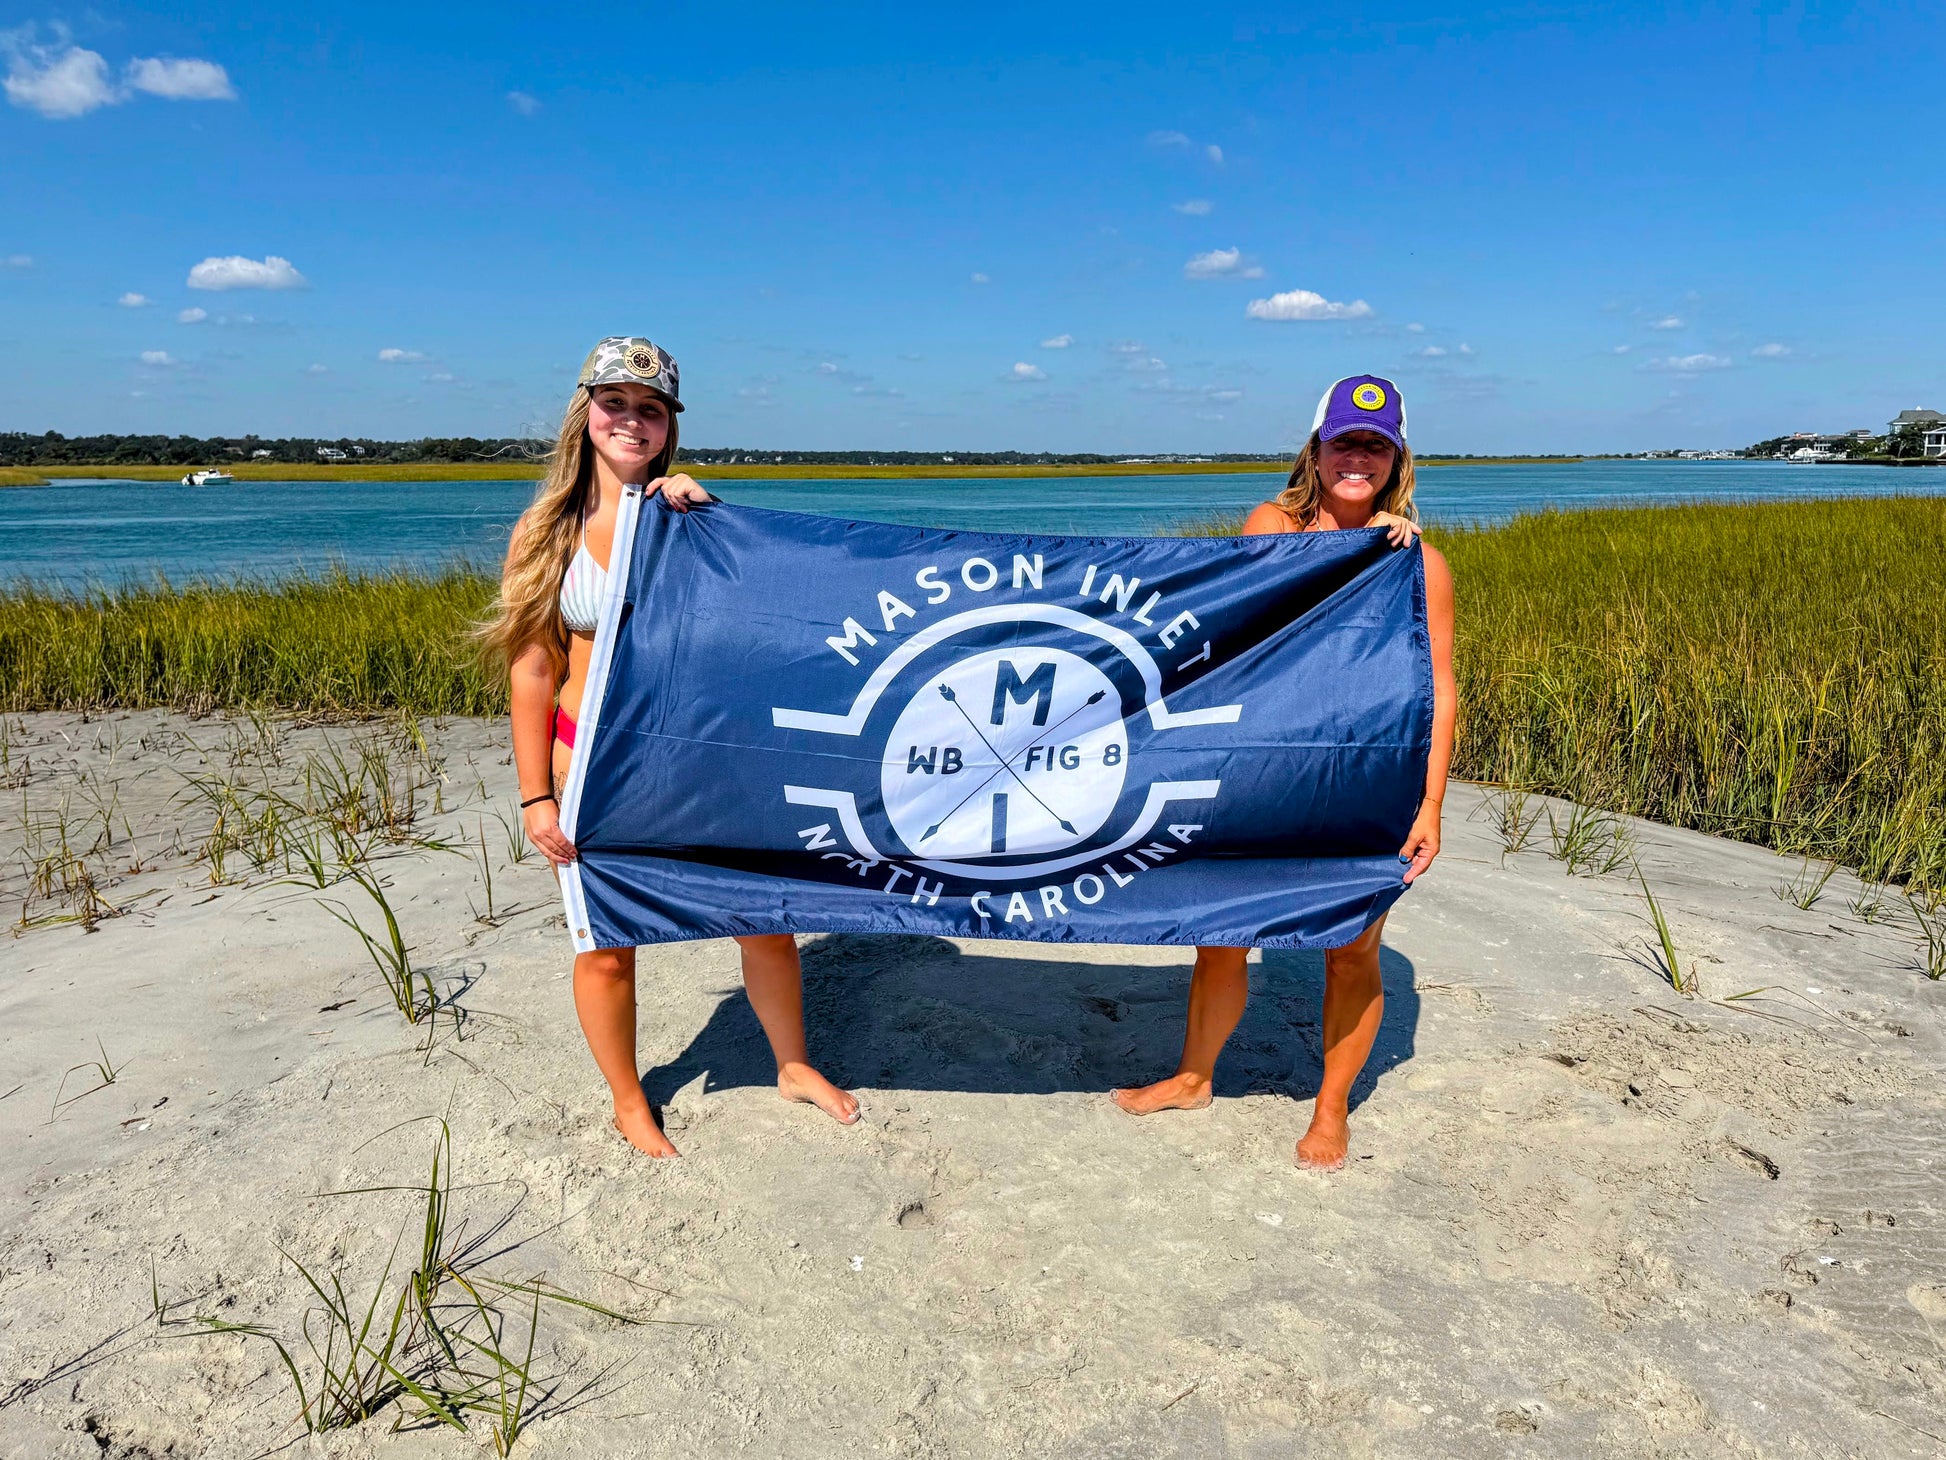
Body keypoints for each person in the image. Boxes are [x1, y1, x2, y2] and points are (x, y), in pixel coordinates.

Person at [480, 337, 860, 1157]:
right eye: (615, 403)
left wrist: (702, 511)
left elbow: (755, 627)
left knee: (764, 921)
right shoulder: (544, 533)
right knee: (609, 947)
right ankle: (627, 1098)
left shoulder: (688, 516)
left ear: (668, 429)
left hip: (697, 762)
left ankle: (792, 1064)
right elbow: (532, 669)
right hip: (589, 765)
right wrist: (534, 795)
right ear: (586, 413)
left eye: (650, 410)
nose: (632, 420)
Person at [1112, 374, 1456, 1170]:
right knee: (1224, 930)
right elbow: (1279, 591)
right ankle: (1194, 1076)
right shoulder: (1273, 524)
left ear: (1398, 459)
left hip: (1372, 776)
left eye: (1377, 445)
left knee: (1355, 946)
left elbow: (1441, 690)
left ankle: (1331, 1110)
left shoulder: (1423, 567)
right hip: (1267, 768)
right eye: (1345, 442)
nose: (1358, 458)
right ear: (1317, 449)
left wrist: (1431, 801)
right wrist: (1365, 544)